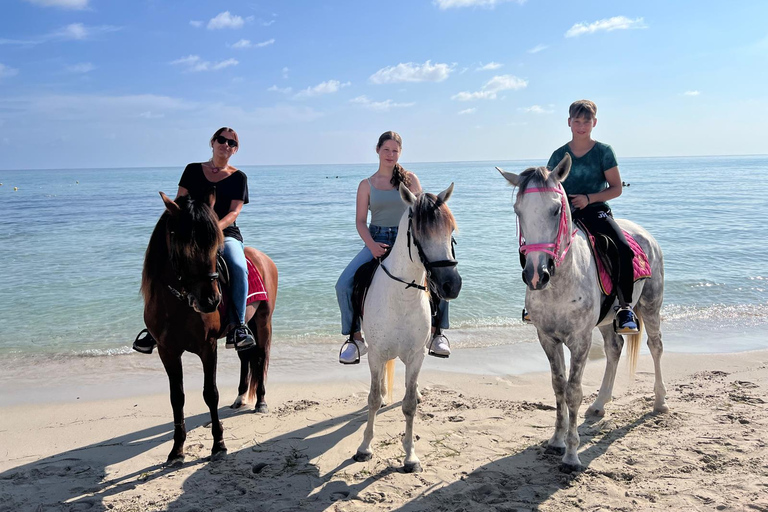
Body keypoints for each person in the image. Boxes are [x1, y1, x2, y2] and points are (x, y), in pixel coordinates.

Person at [133, 127, 256, 353]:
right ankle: (152, 328)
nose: (226, 145)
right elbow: (181, 201)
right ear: (212, 142)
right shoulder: (192, 170)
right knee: (163, 262)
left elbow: (234, 212)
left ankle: (239, 326)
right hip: (189, 233)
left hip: (223, 233)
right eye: (222, 140)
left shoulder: (239, 178)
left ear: (235, 150)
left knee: (238, 265)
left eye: (232, 143)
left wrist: (212, 229)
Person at [336, 131, 452, 364]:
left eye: (395, 151)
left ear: (400, 153)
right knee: (343, 285)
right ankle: (355, 338)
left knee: (440, 274)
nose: (390, 154)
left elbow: (422, 214)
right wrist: (371, 245)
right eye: (386, 150)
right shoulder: (366, 185)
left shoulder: (410, 180)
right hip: (376, 239)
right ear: (377, 150)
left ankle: (437, 334)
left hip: (408, 242)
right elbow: (360, 221)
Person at [524, 100, 639, 334]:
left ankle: (625, 308)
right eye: (577, 121)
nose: (582, 125)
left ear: (594, 123)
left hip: (595, 211)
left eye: (586, 121)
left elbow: (616, 188)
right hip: (564, 216)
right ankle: (533, 302)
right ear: (569, 122)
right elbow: (549, 190)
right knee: (531, 246)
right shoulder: (558, 154)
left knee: (623, 248)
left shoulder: (603, 152)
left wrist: (589, 198)